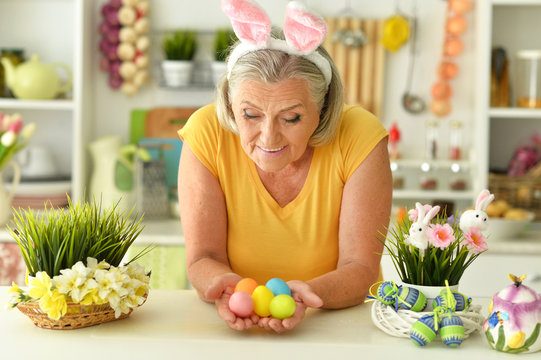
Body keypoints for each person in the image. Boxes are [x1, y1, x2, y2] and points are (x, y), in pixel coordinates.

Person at [177, 0, 392, 333]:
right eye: (250, 115)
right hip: (234, 332)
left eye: (291, 117)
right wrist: (226, 286)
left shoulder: (359, 136)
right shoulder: (207, 132)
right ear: (231, 107)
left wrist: (309, 295)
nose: (268, 136)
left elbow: (360, 267)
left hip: (341, 326)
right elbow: (202, 257)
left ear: (322, 109)